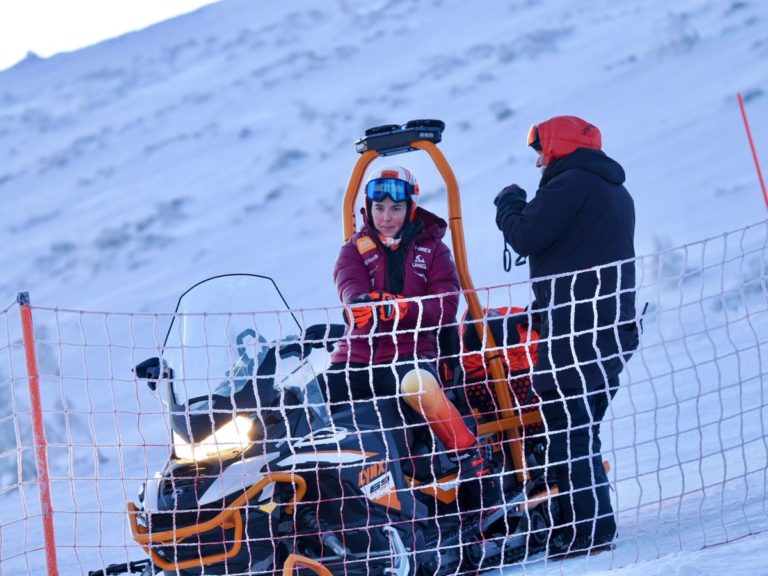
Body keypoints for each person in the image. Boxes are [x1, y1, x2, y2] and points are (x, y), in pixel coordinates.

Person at [493, 116, 639, 556]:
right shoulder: (614, 190)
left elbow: (526, 235)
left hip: (577, 332)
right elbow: (579, 253)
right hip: (609, 328)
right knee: (579, 428)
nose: (538, 162)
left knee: (569, 430)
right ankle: (587, 524)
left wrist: (509, 205)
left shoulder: (571, 184)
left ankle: (588, 531)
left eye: (541, 151)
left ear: (556, 146)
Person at [324, 165, 499, 514]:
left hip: (412, 353)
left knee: (416, 384)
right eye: (379, 208)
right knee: (311, 399)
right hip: (357, 357)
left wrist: (400, 310)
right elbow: (350, 287)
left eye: (395, 208)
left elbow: (446, 305)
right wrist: (359, 305)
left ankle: (468, 454)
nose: (386, 217)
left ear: (410, 208)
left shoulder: (434, 251)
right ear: (368, 209)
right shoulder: (353, 250)